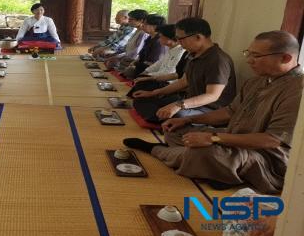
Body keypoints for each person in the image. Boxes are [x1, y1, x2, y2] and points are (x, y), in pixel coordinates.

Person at [124, 31, 303, 194]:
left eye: (256, 56)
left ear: (286, 58)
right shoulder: (257, 82)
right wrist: (188, 121)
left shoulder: (298, 91)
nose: (249, 60)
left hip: (263, 156)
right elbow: (229, 112)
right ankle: (216, 172)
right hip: (232, 137)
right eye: (248, 53)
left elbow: (272, 141)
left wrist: (213, 138)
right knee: (175, 130)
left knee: (203, 153)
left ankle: (156, 149)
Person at [132, 17, 236, 120]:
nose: (179, 43)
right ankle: (161, 118)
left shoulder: (217, 59)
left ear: (198, 37)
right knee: (141, 100)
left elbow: (212, 95)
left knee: (177, 115)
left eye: (181, 39)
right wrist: (154, 93)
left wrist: (178, 105)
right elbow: (184, 81)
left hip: (209, 109)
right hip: (189, 101)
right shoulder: (192, 54)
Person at [121, 14, 167, 78]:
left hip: (149, 70)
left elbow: (152, 62)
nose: (143, 25)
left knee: (128, 71)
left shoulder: (158, 41)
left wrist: (135, 65)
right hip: (141, 65)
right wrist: (133, 63)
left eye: (145, 24)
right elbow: (141, 55)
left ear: (154, 26)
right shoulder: (149, 38)